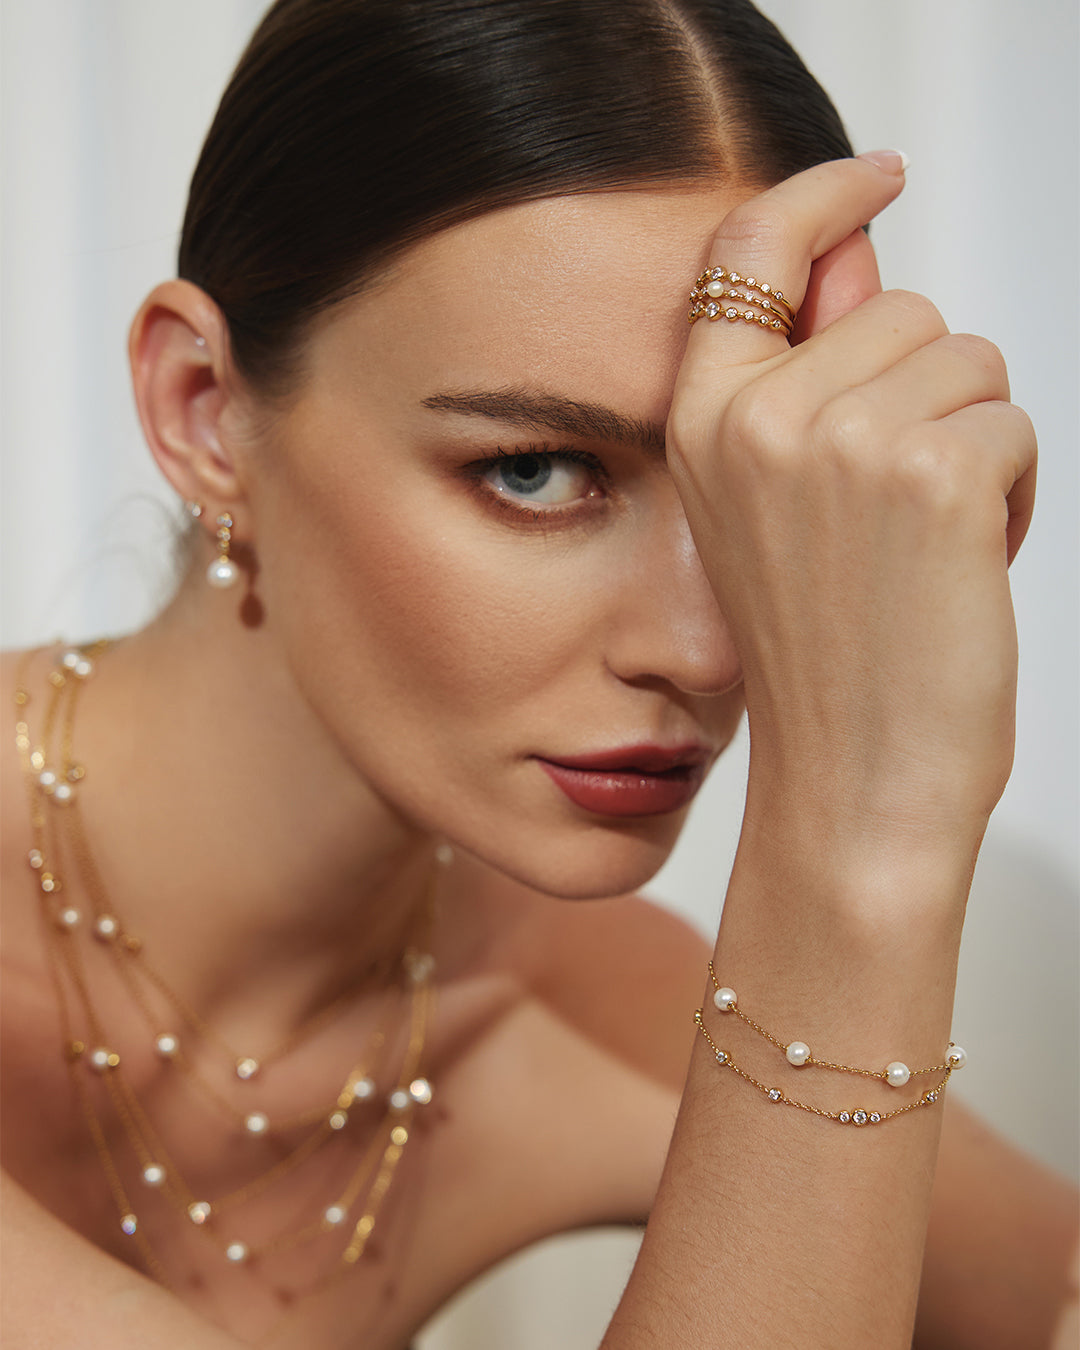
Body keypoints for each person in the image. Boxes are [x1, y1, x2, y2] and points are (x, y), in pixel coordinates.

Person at [1, 1, 1076, 1347]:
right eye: (534, 471)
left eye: (745, 494)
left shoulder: (580, 1001)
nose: (703, 646)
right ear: (203, 413)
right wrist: (855, 850)